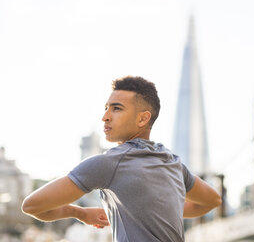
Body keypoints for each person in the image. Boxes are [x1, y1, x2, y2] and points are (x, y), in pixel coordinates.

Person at [22, 76, 222, 242]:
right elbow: (212, 200)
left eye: (116, 108)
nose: (105, 116)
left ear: (143, 118)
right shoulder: (173, 163)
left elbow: (32, 206)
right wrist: (158, 210)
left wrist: (79, 213)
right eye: (106, 108)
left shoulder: (107, 163)